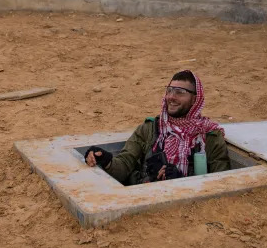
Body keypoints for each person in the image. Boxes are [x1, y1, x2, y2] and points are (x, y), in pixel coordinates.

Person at [84, 70, 230, 184]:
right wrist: (106, 159)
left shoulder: (209, 136)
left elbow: (221, 183)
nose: (171, 97)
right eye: (170, 90)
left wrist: (183, 181)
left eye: (180, 92)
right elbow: (124, 165)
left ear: (194, 99)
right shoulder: (150, 128)